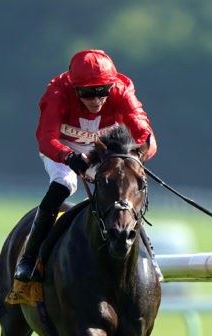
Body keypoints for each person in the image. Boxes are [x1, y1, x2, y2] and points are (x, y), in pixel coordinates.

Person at [14, 49, 158, 282]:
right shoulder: (57, 93)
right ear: (74, 88)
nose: (97, 100)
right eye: (88, 93)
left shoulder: (122, 91)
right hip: (63, 149)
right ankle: (29, 258)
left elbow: (145, 134)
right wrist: (68, 156)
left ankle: (148, 256)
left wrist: (139, 156)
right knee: (63, 184)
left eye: (103, 92)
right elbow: (45, 139)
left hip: (104, 151)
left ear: (112, 86)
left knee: (124, 191)